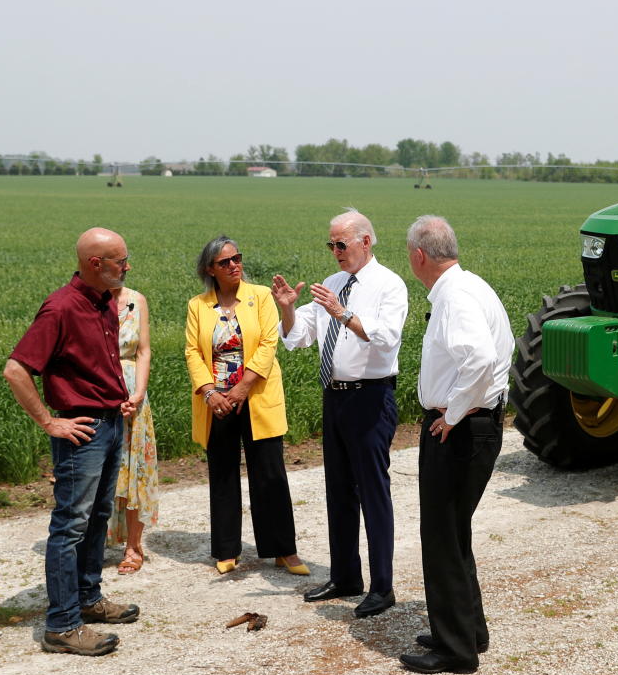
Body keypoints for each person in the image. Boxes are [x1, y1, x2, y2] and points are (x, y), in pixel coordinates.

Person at [3, 227, 141, 656]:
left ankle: (89, 599)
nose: (127, 266)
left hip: (110, 424)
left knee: (98, 517)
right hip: (82, 433)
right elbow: (15, 370)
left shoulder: (105, 303)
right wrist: (50, 423)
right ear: (95, 264)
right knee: (70, 527)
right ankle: (62, 625)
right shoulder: (61, 308)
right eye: (120, 260)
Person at [273, 209, 407, 618]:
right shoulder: (332, 284)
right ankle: (346, 575)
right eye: (330, 244)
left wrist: (343, 314)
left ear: (365, 241)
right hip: (334, 397)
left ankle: (382, 587)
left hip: (370, 398)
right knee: (339, 492)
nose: (335, 252)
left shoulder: (389, 285)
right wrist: (287, 309)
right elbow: (298, 338)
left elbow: (385, 339)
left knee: (373, 494)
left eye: (341, 244)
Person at [399, 215, 512, 674]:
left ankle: (455, 650)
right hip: (475, 424)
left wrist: (454, 411)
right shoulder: (469, 286)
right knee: (454, 532)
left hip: (462, 429)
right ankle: (469, 631)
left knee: (443, 536)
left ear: (419, 255)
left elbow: (481, 359)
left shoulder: (455, 297)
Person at [184, 235, 307, 577]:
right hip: (218, 402)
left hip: (255, 396)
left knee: (269, 474)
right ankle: (226, 550)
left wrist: (242, 388)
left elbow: (269, 343)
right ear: (210, 269)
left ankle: (284, 550)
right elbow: (193, 352)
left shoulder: (261, 296)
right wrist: (210, 392)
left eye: (237, 258)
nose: (234, 265)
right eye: (225, 262)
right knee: (222, 474)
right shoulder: (198, 305)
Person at [107, 284, 158, 574]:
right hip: (98, 394)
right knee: (103, 471)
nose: (125, 268)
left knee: (136, 467)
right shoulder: (85, 301)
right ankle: (94, 543)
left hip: (133, 395)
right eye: (119, 262)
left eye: (126, 262)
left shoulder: (137, 300)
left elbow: (143, 351)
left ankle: (133, 546)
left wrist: (137, 394)